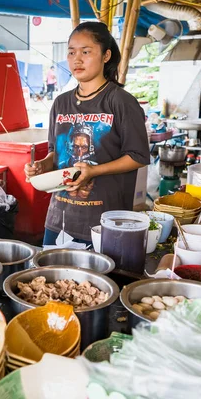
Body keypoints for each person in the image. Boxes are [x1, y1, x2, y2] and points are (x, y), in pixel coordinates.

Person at [24, 22, 150, 246]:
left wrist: (94, 171)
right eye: (71, 52)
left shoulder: (120, 101)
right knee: (52, 278)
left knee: (96, 280)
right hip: (59, 218)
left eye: (86, 51)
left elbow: (137, 155)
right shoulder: (62, 102)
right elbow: (55, 152)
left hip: (105, 221)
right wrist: (43, 165)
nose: (77, 59)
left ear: (105, 55)